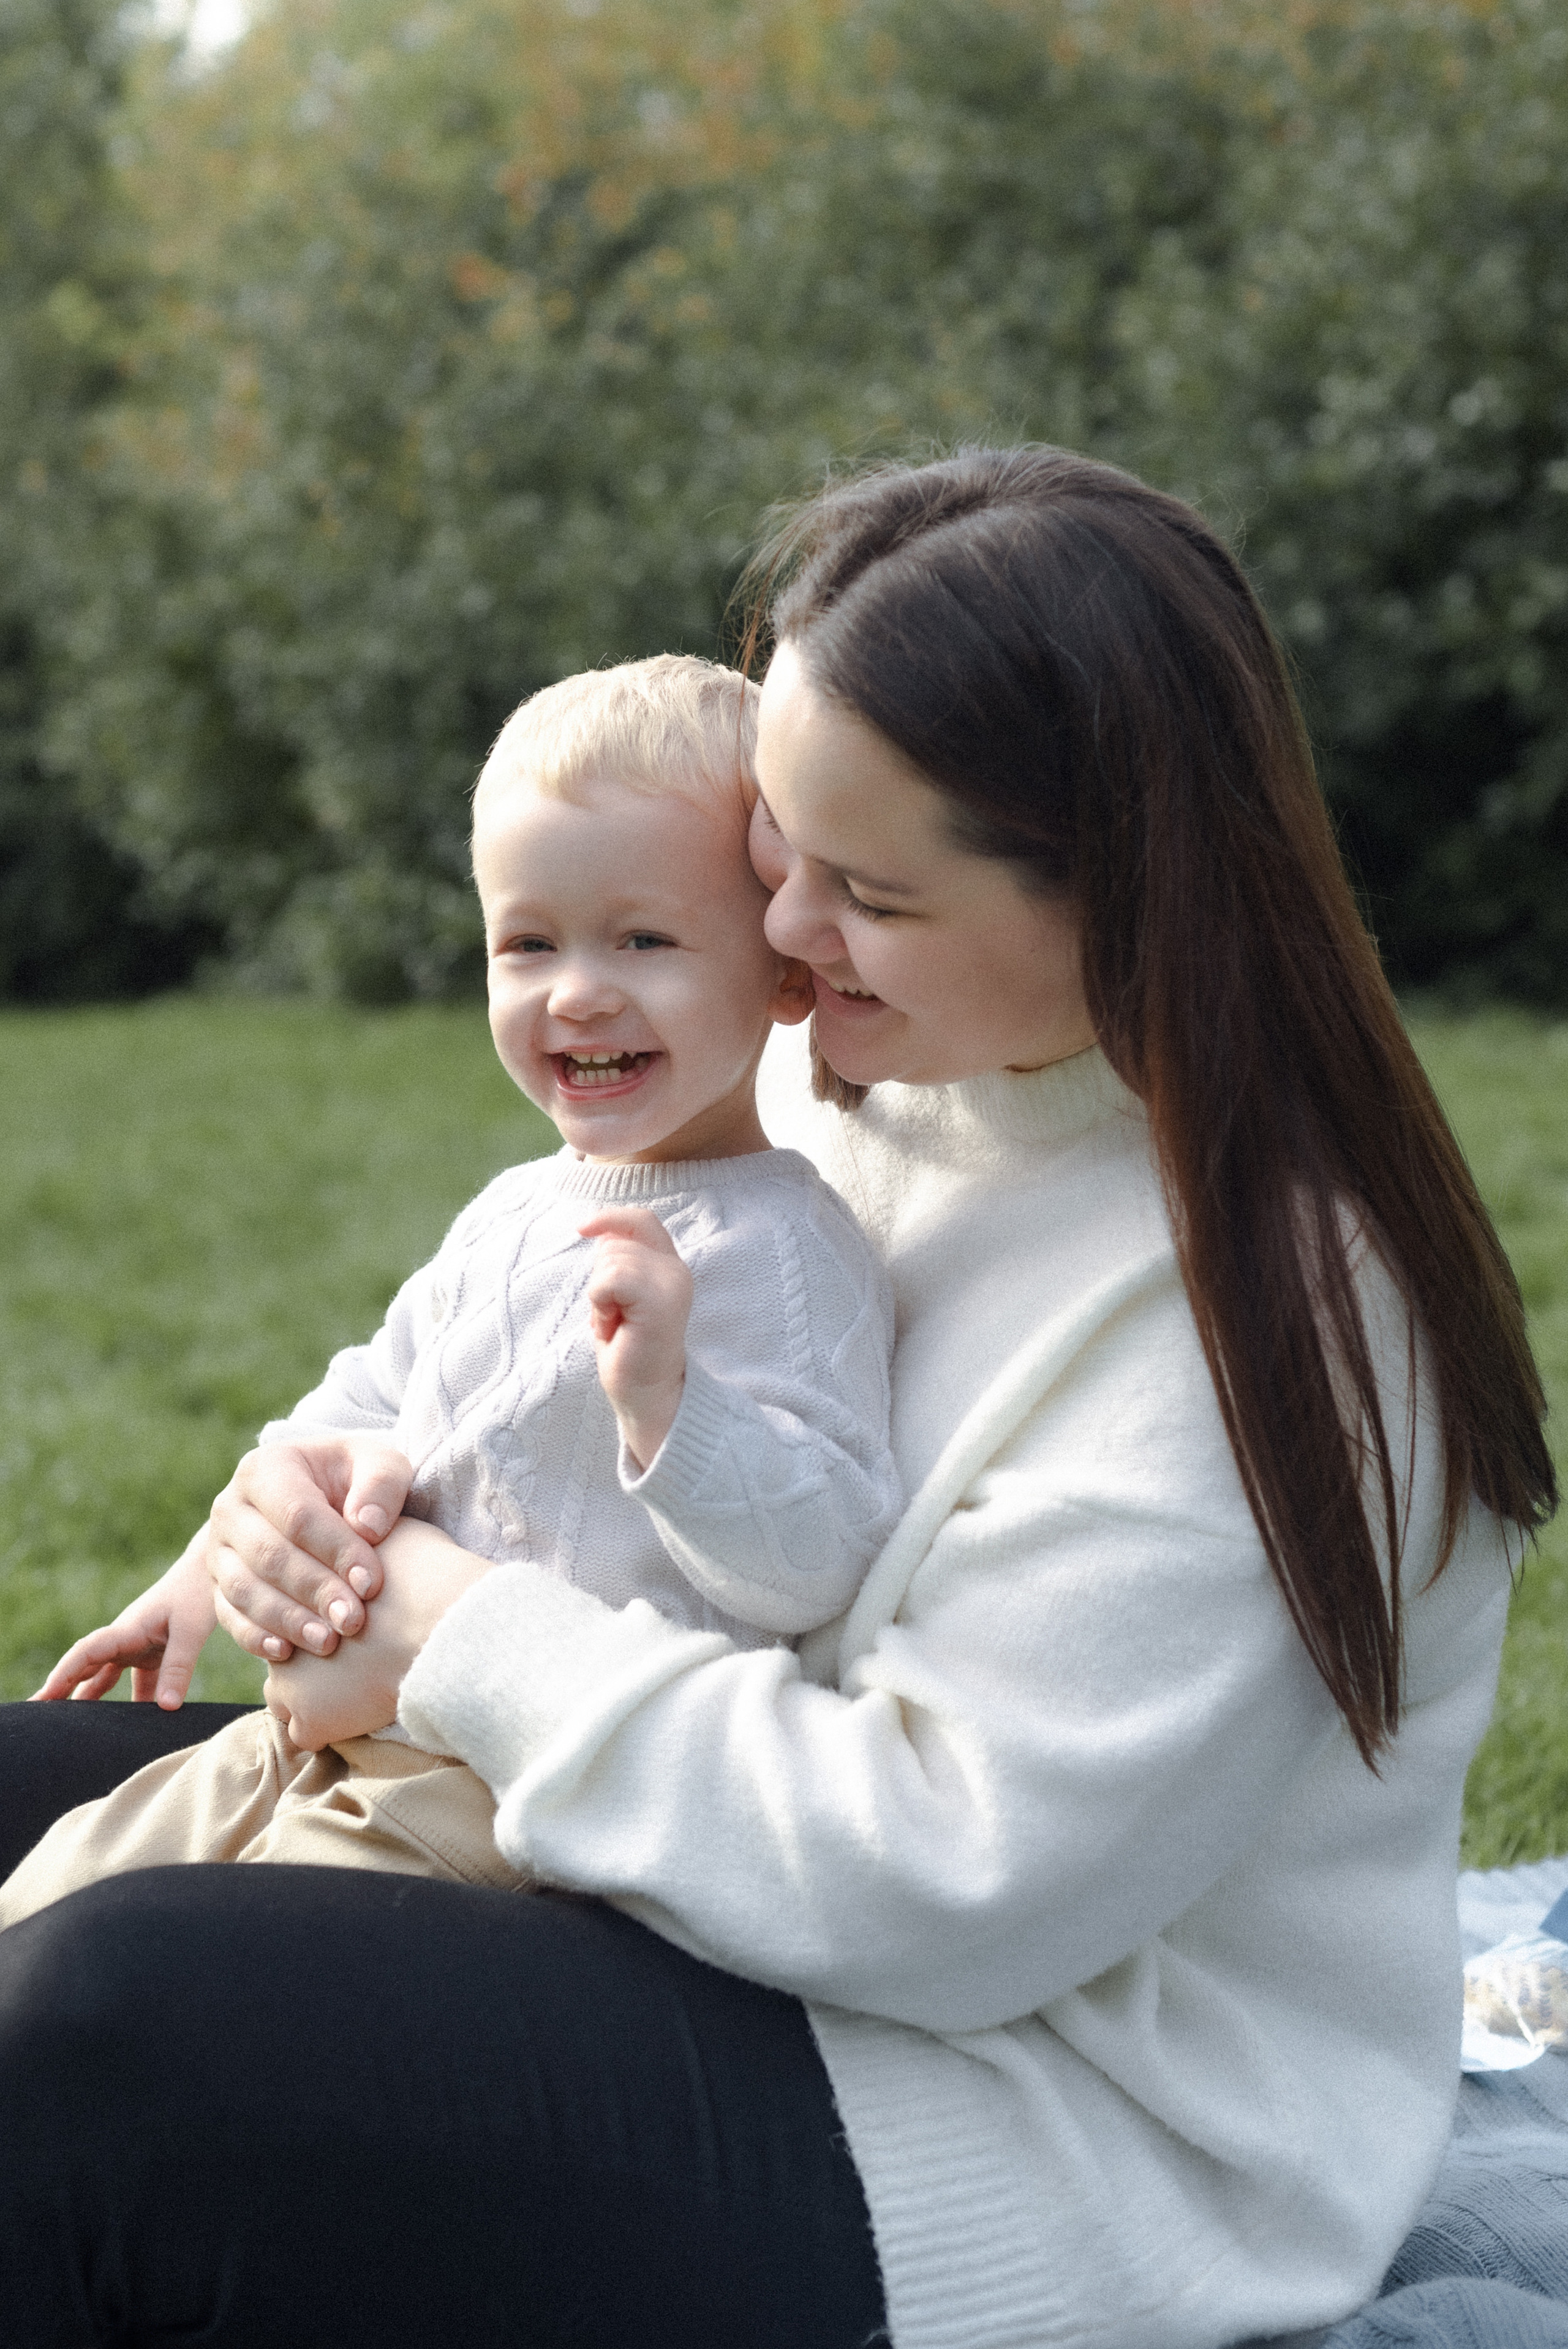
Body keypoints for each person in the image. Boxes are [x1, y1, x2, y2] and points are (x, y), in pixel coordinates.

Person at [0, 447, 1555, 2349]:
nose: (789, 936)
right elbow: (500, 1366)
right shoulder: (868, 1068)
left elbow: (940, 1882)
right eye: (772, 858)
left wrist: (459, 1633)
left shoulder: (1281, 1319)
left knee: (100, 2034)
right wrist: (303, 1499)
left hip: (1014, 2116)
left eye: (866, 889)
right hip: (666, 1881)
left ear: (1121, 890)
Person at [0, 654, 900, 1927]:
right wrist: (212, 1565)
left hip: (502, 1804)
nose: (577, 988)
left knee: (164, 1965)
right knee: (45, 1906)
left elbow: (823, 1559)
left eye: (643, 938)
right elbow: (368, 1395)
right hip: (314, 1738)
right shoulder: (518, 1208)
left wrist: (669, 1405)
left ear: (783, 977)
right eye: (527, 943)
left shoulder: (785, 1248)